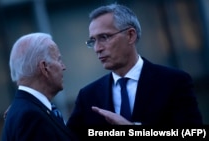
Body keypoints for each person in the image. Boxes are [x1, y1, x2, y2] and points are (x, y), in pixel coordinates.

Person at [67, 3, 203, 131]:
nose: (97, 48)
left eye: (104, 37)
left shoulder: (174, 82)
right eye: (93, 41)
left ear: (130, 35)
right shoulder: (88, 96)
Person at [2, 33, 77, 141]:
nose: (63, 67)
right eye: (59, 60)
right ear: (44, 68)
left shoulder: (28, 109)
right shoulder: (30, 116)